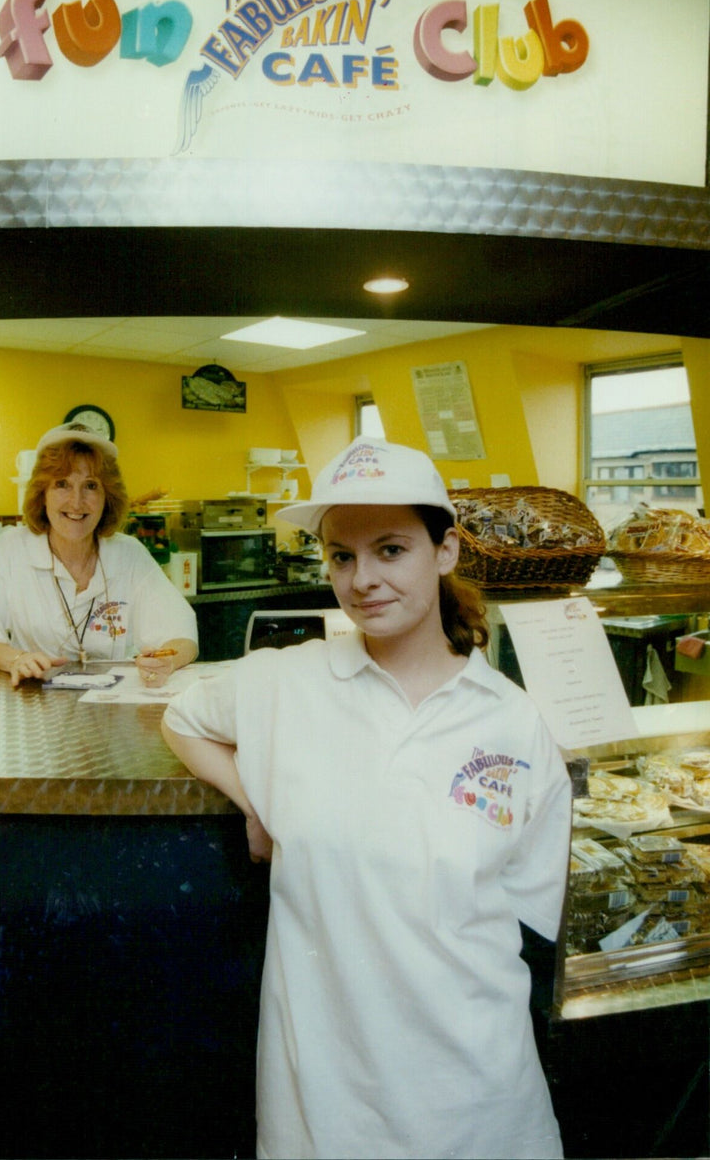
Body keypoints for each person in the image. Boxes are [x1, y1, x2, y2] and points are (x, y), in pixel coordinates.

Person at [161, 435, 571, 1160]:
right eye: (342, 557)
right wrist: (255, 800)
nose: (362, 581)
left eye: (390, 550)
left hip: (480, 1102)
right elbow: (182, 718)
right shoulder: (285, 683)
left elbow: (527, 918)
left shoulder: (511, 720)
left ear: (444, 551)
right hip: (326, 1104)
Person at [0, 422, 198, 687]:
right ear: (42, 494)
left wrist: (168, 660)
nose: (76, 502)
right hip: (34, 703)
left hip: (110, 706)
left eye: (91, 486)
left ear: (108, 496)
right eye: (62, 484)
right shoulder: (10, 550)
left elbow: (182, 635)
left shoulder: (129, 554)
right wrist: (16, 659)